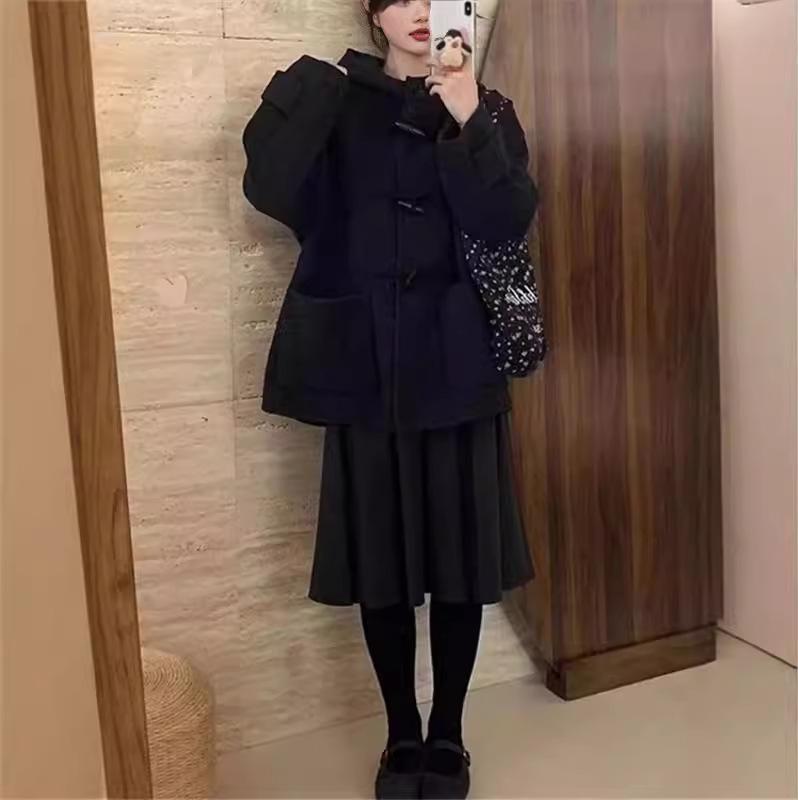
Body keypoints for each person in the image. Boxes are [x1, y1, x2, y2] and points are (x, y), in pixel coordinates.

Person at [241, 1, 539, 797]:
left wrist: (467, 114)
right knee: (382, 562)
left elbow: (507, 220)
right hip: (364, 365)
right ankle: (401, 734)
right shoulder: (337, 101)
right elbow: (270, 190)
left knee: (461, 565)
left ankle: (450, 735)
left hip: (459, 366)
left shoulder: (488, 107)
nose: (419, 11)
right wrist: (313, 92)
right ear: (373, 14)